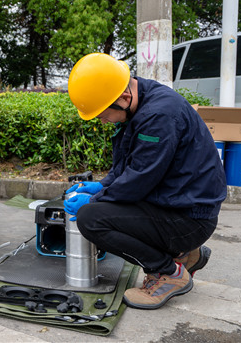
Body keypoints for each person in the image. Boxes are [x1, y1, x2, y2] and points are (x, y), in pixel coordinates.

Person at [63, 53, 227, 310]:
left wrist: (94, 200)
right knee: (99, 208)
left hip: (190, 219)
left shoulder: (159, 117)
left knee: (91, 219)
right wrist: (102, 185)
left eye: (102, 114)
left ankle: (168, 273)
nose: (101, 120)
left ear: (123, 98)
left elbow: (137, 180)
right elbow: (130, 168)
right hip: (177, 207)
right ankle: (185, 255)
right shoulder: (139, 105)